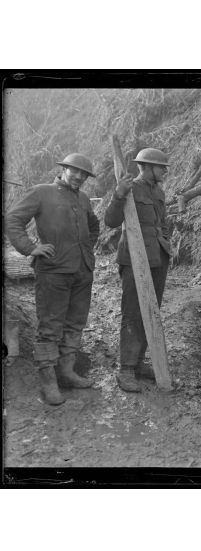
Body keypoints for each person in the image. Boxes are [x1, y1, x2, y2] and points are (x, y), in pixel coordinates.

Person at [6, 153, 99, 405]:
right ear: (64, 169)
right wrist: (30, 247)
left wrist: (86, 251)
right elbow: (13, 219)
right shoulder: (41, 192)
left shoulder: (82, 198)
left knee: (75, 323)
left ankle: (67, 372)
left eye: (84, 174)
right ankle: (49, 382)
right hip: (53, 272)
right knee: (50, 327)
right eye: (75, 171)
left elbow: (93, 227)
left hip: (82, 272)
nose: (79, 177)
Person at [104, 148, 172, 392]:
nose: (165, 170)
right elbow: (110, 221)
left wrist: (166, 240)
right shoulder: (128, 188)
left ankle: (140, 362)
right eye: (161, 166)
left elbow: (162, 222)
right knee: (133, 311)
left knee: (151, 310)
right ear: (147, 167)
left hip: (158, 258)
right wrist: (118, 195)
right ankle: (126, 369)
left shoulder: (158, 191)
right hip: (134, 259)